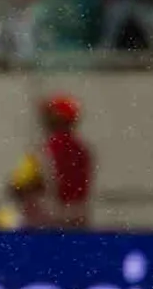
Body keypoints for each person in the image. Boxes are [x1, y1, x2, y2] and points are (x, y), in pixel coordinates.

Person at [9, 93, 94, 229]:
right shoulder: (84, 151)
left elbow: (18, 186)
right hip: (79, 220)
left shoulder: (45, 149)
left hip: (47, 223)